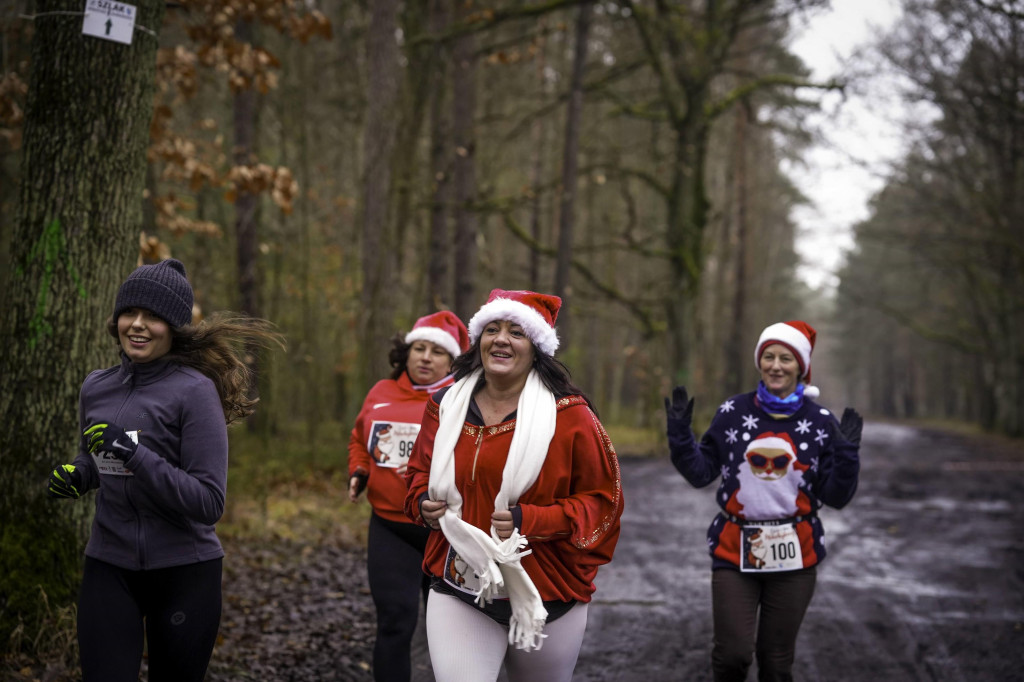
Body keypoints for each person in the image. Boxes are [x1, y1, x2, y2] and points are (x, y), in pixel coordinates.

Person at [46, 258, 282, 682]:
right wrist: (81, 475)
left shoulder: (195, 392)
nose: (137, 325)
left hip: (184, 572)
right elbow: (97, 458)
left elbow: (209, 502)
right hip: (109, 563)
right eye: (129, 313)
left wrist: (134, 455)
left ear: (173, 327)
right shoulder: (96, 386)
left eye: (153, 317)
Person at [404, 288, 624, 682]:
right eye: (492, 328)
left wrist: (533, 519)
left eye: (516, 332)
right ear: (479, 340)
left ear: (536, 347)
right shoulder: (445, 404)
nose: (501, 338)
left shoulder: (571, 417)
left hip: (546, 591)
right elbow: (418, 473)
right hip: (460, 584)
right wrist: (421, 502)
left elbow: (603, 502)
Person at [665, 320, 862, 682]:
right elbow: (701, 472)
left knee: (775, 662)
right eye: (768, 356)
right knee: (733, 656)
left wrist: (847, 457)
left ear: (800, 366)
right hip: (734, 549)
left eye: (786, 358)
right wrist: (680, 436)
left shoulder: (819, 422)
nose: (776, 365)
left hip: (795, 552)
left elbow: (835, 496)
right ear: (759, 363)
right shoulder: (733, 412)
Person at [347, 310, 470, 682]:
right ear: (407, 352)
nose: (426, 357)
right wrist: (360, 470)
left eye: (437, 351)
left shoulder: (464, 400)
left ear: (452, 361)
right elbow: (359, 439)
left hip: (446, 531)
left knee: (450, 631)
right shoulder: (381, 393)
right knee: (395, 622)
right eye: (419, 348)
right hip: (390, 526)